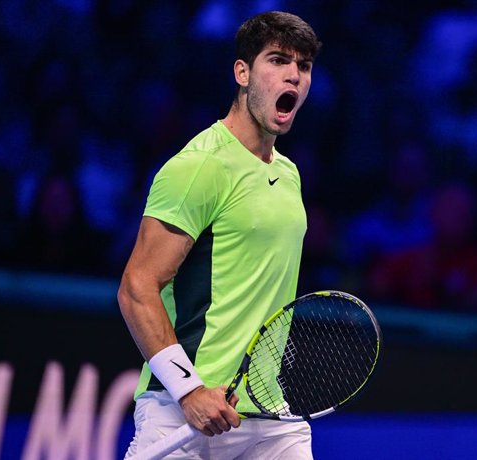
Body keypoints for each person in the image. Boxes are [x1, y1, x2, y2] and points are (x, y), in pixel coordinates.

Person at [118, 11, 321, 459]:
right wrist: (189, 391)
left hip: (271, 420)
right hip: (182, 410)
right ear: (242, 72)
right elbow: (137, 288)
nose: (293, 75)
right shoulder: (199, 166)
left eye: (303, 67)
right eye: (278, 60)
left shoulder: (288, 175)